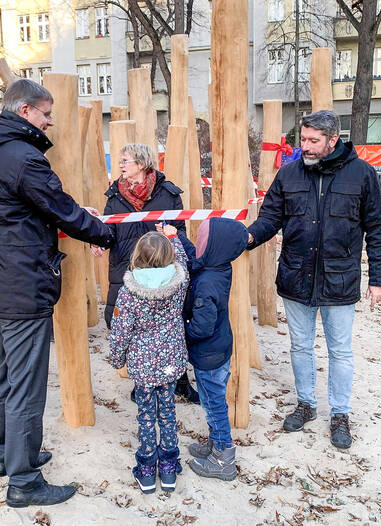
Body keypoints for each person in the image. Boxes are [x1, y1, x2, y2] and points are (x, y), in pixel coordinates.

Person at [0, 79, 115, 507]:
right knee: (26, 384)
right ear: (24, 111)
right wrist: (109, 235)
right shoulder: (24, 159)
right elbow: (62, 209)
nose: (51, 123)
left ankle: (5, 456)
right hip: (19, 285)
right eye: (47, 114)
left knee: (8, 373)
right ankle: (24, 481)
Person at [245, 110, 381, 449]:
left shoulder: (362, 175)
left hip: (339, 279)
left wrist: (379, 278)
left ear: (332, 140)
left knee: (339, 350)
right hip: (296, 277)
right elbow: (269, 218)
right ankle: (307, 404)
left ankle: (340, 413)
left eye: (313, 141)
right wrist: (247, 238)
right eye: (303, 140)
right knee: (300, 346)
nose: (306, 147)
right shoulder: (289, 174)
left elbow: (379, 229)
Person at [95, 143, 199, 404]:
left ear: (142, 163)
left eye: (126, 160)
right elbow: (109, 233)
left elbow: (180, 232)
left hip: (165, 273)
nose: (120, 165)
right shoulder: (114, 196)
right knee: (128, 324)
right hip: (126, 273)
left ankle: (180, 381)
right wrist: (96, 238)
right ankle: (141, 380)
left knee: (173, 325)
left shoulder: (168, 193)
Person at [109, 226, 189, 494]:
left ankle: (145, 470)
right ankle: (168, 466)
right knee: (167, 411)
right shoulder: (179, 282)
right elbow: (184, 261)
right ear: (169, 257)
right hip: (169, 362)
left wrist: (117, 359)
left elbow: (120, 330)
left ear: (136, 258)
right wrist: (174, 236)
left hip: (143, 365)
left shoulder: (129, 291)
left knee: (146, 414)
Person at [184, 218, 248, 481]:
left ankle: (223, 458)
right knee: (212, 402)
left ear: (214, 247)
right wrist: (177, 236)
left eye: (202, 240)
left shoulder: (208, 282)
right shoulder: (218, 267)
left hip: (209, 353)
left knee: (214, 405)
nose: (198, 244)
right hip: (217, 349)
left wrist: (182, 336)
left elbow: (202, 327)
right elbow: (195, 258)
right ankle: (215, 443)